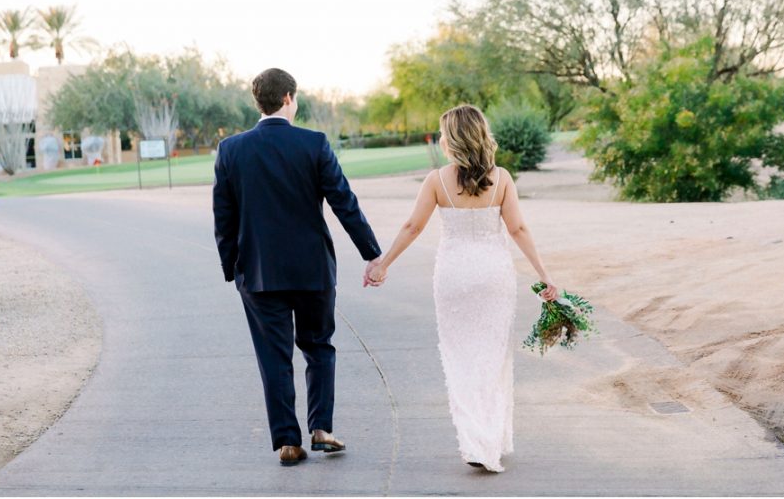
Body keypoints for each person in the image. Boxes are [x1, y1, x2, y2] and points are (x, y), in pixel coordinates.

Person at [364, 104, 559, 472]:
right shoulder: (501, 178)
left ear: (452, 140)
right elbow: (518, 230)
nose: (439, 140)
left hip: (454, 277)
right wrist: (545, 274)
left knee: (461, 359)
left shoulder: (437, 181)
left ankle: (475, 443)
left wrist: (383, 264)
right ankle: (489, 440)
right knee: (492, 357)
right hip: (493, 276)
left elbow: (412, 227)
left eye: (442, 134)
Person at [213, 68, 383, 466]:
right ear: (289, 98)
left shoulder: (231, 149)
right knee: (319, 346)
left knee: (274, 358)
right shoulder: (314, 143)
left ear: (260, 102)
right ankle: (321, 428)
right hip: (313, 272)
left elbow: (224, 217)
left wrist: (232, 268)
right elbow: (345, 202)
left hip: (257, 274)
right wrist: (371, 253)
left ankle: (288, 443)